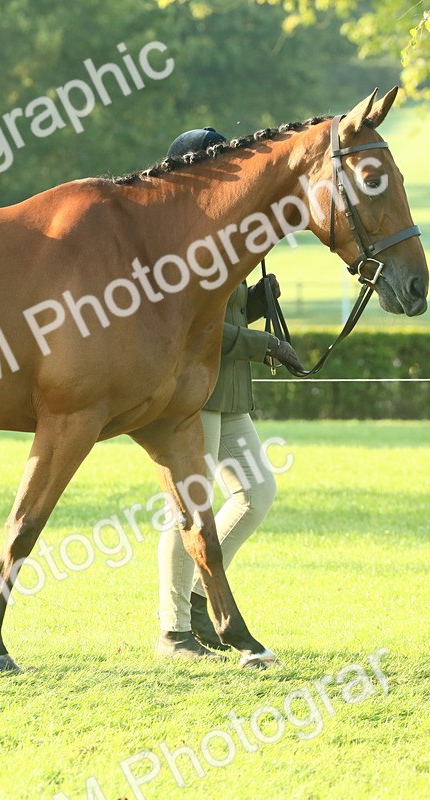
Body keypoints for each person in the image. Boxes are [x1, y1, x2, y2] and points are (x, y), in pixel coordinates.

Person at [154, 127, 304, 660]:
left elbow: (225, 315)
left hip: (230, 391)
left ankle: (200, 600)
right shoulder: (177, 240)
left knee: (257, 493)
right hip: (194, 394)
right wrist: (257, 340)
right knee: (191, 511)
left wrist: (259, 302)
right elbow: (185, 328)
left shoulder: (224, 230)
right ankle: (172, 629)